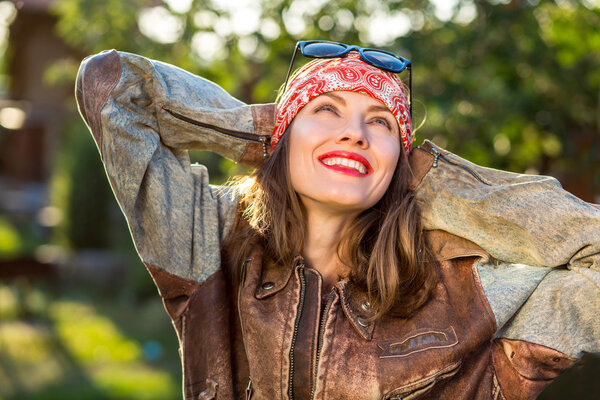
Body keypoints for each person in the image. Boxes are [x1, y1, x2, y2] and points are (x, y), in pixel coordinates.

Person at [75, 41, 600, 400]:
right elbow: (113, 87)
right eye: (326, 109)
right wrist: (268, 134)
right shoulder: (208, 240)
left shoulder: (473, 291)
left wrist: (421, 177)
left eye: (380, 124)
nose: (355, 133)